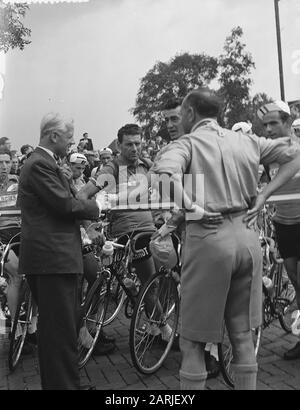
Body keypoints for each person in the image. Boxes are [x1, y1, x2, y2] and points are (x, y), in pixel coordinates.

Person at [151, 88, 300, 390]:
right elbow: (296, 152)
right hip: (246, 237)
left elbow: (164, 176)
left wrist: (192, 207)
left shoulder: (186, 144)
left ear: (190, 113)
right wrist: (264, 194)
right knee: (242, 335)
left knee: (193, 341)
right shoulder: (247, 141)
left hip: (208, 240)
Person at [17, 112, 102, 390]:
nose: (71, 145)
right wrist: (96, 208)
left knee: (61, 330)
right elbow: (66, 205)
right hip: (52, 259)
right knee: (59, 332)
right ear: (53, 136)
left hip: (53, 259)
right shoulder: (40, 164)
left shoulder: (44, 163)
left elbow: (66, 200)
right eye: (68, 138)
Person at [78, 123, 178, 347]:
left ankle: (151, 317)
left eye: (138, 143)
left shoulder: (147, 166)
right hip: (127, 234)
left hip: (152, 230)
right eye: (129, 144)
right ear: (119, 146)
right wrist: (89, 225)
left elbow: (168, 191)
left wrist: (167, 213)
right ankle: (163, 329)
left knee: (167, 271)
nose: (134, 148)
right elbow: (82, 195)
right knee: (149, 281)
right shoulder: (111, 169)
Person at [257, 101, 300, 361]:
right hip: (283, 223)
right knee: (294, 279)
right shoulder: (269, 155)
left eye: (274, 123)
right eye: (265, 125)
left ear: (287, 122)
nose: (269, 129)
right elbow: (263, 182)